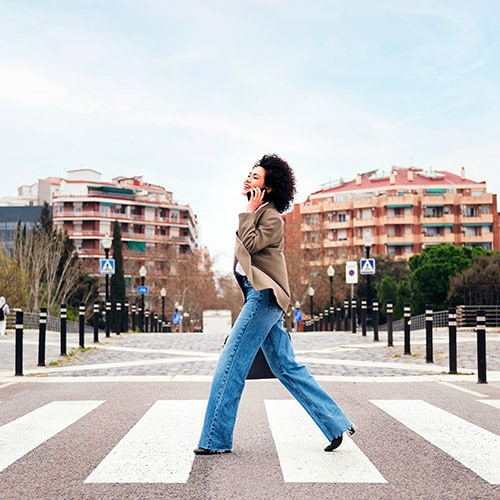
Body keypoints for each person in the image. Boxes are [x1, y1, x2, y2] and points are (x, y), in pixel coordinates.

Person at [194, 154, 355, 455]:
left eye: (255, 177)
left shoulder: (271, 218)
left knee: (230, 365)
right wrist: (249, 212)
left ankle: (214, 440)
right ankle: (335, 423)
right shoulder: (260, 214)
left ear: (267, 188)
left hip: (264, 298)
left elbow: (251, 245)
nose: (248, 179)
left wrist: (248, 211)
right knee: (286, 367)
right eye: (249, 174)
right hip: (262, 298)